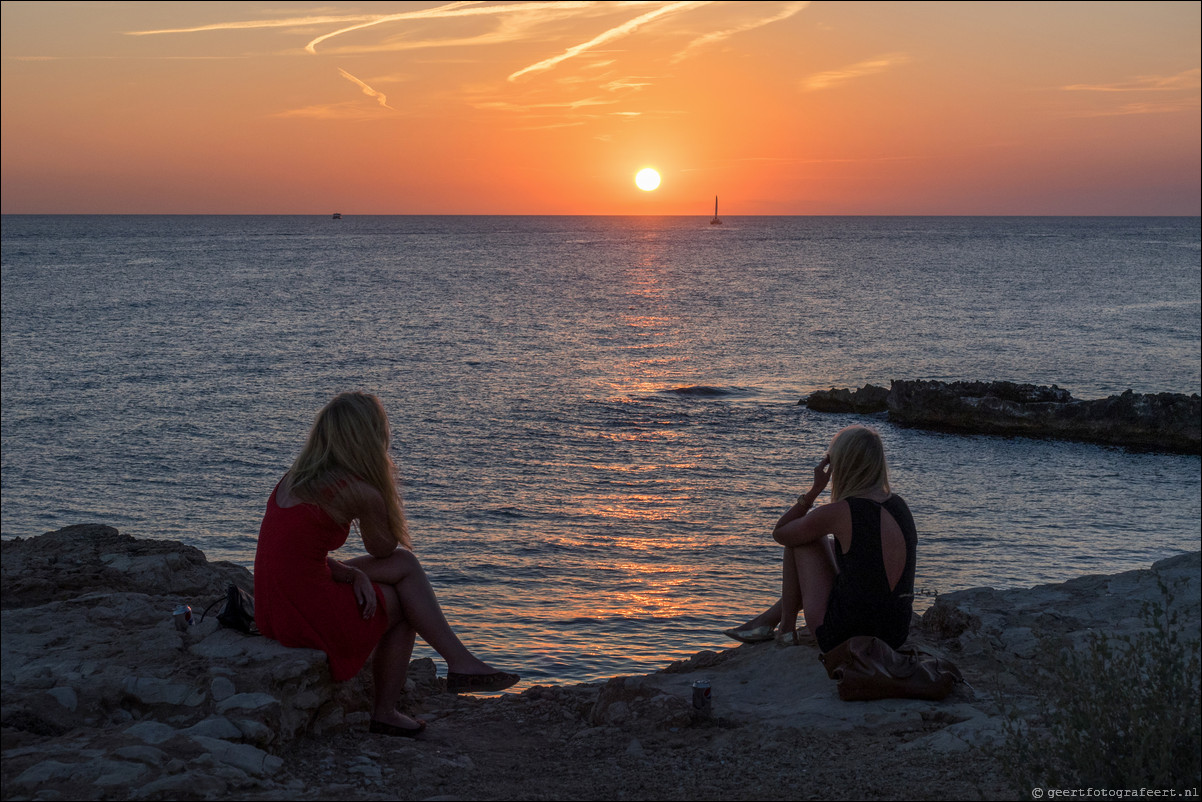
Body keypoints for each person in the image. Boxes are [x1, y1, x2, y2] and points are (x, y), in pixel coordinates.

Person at [254, 392, 519, 738]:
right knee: (404, 603)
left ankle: (459, 662)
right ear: (368, 438)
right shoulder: (355, 490)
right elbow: (382, 548)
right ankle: (388, 710)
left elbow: (296, 557)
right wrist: (380, 488)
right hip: (302, 614)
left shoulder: (295, 478)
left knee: (405, 567)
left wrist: (351, 573)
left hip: (272, 609)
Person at [722, 425, 917, 652]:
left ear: (840, 465)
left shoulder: (842, 511)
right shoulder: (899, 505)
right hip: (895, 633)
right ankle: (769, 623)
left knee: (802, 539)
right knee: (833, 545)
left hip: (845, 635)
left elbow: (782, 532)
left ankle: (785, 628)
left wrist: (815, 490)